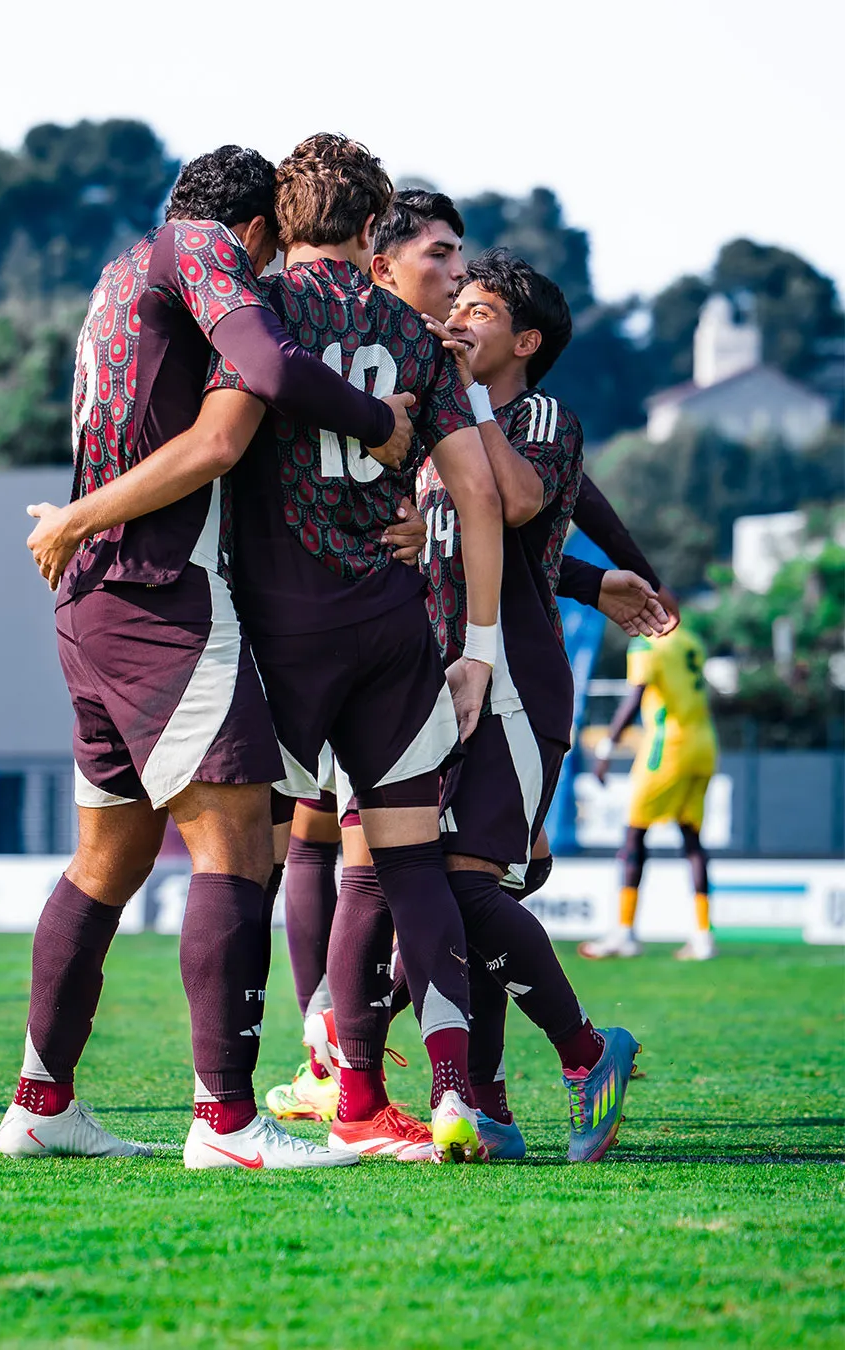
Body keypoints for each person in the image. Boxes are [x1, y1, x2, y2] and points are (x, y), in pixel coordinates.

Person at [0, 145, 413, 1170]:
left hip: (97, 601)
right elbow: (245, 406)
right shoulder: (199, 251)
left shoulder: (123, 268)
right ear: (257, 230)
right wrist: (380, 425)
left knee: (109, 859)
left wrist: (82, 518)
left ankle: (42, 1103)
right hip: (159, 597)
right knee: (235, 842)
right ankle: (228, 1125)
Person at [206, 136, 506, 1165]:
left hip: (282, 628)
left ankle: (256, 1105)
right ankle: (452, 1090)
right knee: (410, 862)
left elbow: (215, 450)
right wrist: (478, 645)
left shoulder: (255, 316)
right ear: (372, 221)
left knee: (256, 858)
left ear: (283, 219)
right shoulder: (410, 333)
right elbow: (477, 495)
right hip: (389, 623)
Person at [411, 246, 641, 1162]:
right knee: (447, 895)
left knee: (465, 884)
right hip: (433, 676)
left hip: (512, 677)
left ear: (526, 340)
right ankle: (491, 1106)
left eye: (480, 310)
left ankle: (589, 1054)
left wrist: (466, 398)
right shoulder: (441, 413)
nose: (458, 316)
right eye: (454, 302)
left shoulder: (538, 414)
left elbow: (508, 508)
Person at [580, 625, 718, 961]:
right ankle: (703, 938)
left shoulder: (646, 644)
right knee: (692, 838)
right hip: (704, 744)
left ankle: (624, 933)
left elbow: (635, 696)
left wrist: (607, 747)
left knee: (633, 835)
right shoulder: (690, 639)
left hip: (667, 748)